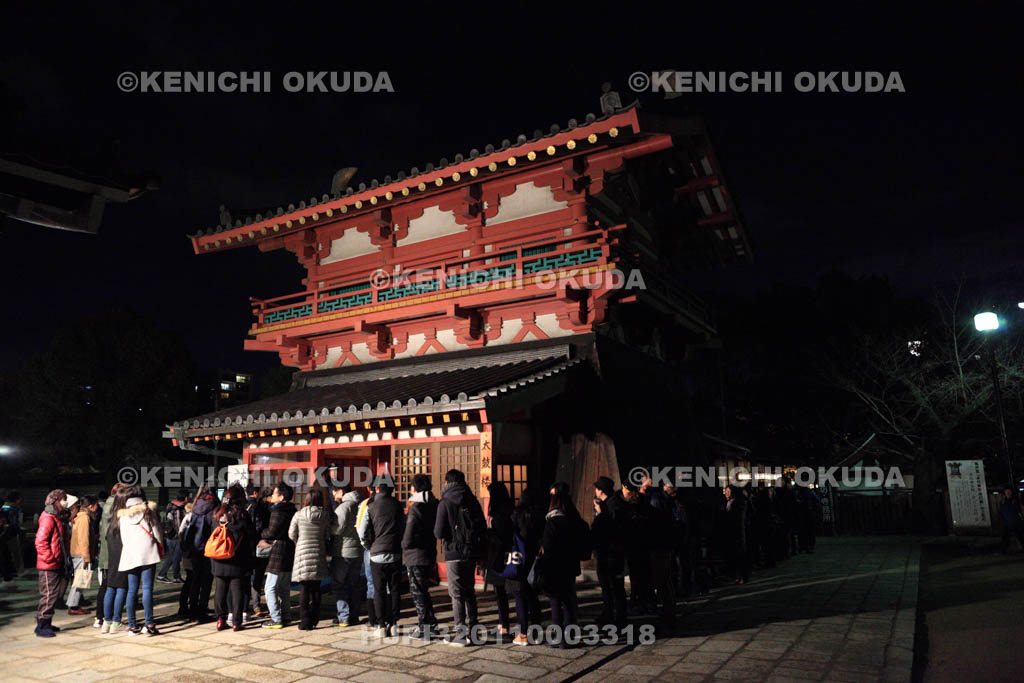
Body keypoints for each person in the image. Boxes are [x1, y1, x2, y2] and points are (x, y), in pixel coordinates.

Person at [434, 468, 487, 646]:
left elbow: (438, 532)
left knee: (456, 594)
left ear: (447, 483)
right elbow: (481, 526)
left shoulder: (445, 502)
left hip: (453, 553)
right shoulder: (472, 500)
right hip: (470, 552)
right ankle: (474, 632)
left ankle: (460, 634)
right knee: (469, 591)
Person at [209, 483, 256, 631]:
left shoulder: (217, 514)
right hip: (237, 558)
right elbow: (251, 535)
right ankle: (237, 622)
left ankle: (220, 620)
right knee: (237, 590)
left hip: (219, 556)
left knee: (220, 589)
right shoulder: (242, 515)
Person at [118, 486, 164, 636]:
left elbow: (123, 538)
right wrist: (161, 545)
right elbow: (157, 532)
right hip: (148, 552)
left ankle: (132, 626)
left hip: (130, 554)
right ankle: (149, 624)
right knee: (147, 588)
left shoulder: (123, 516)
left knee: (132, 590)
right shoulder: (148, 511)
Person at [363, 480, 405, 638]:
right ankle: (393, 623)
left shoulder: (371, 506)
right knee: (395, 589)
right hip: (395, 552)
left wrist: (369, 546)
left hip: (376, 553)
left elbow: (362, 530)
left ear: (377, 488)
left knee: (379, 590)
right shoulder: (398, 505)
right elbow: (403, 527)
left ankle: (380, 625)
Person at [289, 486, 334, 630]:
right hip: (318, 551)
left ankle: (304, 620)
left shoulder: (298, 514)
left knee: (304, 588)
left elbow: (291, 534)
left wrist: (299, 541)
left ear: (307, 499)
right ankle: (315, 618)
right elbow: (328, 534)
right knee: (316, 588)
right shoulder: (324, 515)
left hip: (302, 552)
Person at [541, 489, 581, 647]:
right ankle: (570, 637)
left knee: (556, 602)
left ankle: (558, 637)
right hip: (570, 565)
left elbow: (547, 546)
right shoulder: (574, 520)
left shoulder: (552, 522)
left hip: (554, 566)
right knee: (569, 601)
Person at [403, 473, 439, 640]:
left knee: (418, 591)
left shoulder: (416, 507)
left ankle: (425, 627)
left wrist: (404, 545)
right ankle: (431, 623)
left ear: (414, 488)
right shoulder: (434, 504)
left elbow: (409, 534)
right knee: (424, 589)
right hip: (430, 551)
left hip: (415, 554)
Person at [509, 488, 544, 645]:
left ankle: (523, 633)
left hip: (519, 557)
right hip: (534, 557)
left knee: (520, 596)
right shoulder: (539, 515)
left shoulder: (516, 514)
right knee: (533, 597)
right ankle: (536, 633)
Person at [35, 489, 72, 637]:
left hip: (56, 562)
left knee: (52, 594)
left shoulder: (56, 517)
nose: (65, 502)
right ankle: (42, 625)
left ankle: (47, 622)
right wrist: (50, 558)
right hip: (48, 564)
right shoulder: (48, 518)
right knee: (49, 595)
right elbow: (40, 541)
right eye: (63, 499)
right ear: (55, 501)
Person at [592, 476, 628, 629]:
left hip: (611, 553)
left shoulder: (613, 505)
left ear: (601, 490)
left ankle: (618, 617)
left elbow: (612, 528)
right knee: (608, 587)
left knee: (614, 587)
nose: (595, 491)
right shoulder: (608, 503)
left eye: (597, 488)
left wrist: (600, 514)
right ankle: (608, 613)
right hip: (606, 552)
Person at [261, 482, 297, 628]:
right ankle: (286, 615)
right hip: (289, 549)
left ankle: (276, 618)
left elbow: (272, 532)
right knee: (284, 587)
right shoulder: (292, 510)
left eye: (275, 493)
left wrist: (262, 533)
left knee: (270, 587)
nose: (272, 495)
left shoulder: (278, 511)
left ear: (281, 496)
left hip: (278, 551)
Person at [181, 485, 219, 622]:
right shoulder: (214, 507)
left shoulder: (196, 507)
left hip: (195, 548)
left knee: (195, 579)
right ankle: (202, 610)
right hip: (208, 548)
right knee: (207, 580)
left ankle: (193, 610)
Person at [331, 484, 363, 627]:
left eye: (334, 492)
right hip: (357, 550)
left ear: (341, 492)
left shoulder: (344, 507)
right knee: (354, 584)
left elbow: (337, 529)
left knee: (339, 584)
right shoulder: (360, 505)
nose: (333, 495)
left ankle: (343, 616)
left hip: (343, 551)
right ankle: (354, 615)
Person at [485, 482, 515, 637]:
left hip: (499, 555)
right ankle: (502, 623)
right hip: (506, 554)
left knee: (500, 592)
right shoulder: (509, 509)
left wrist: (489, 534)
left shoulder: (500, 514)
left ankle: (504, 625)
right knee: (502, 592)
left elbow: (500, 537)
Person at [102, 488, 131, 634]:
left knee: (110, 587)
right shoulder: (124, 517)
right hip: (122, 555)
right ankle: (116, 622)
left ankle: (106, 622)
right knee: (121, 588)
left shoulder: (110, 516)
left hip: (111, 556)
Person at [67, 495, 99, 615]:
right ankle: (73, 606)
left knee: (79, 581)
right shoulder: (84, 518)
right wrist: (87, 557)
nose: (97, 508)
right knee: (80, 581)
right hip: (81, 553)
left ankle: (74, 605)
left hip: (77, 552)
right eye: (96, 505)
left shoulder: (80, 516)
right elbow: (83, 538)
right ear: (90, 506)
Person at [246, 485, 272, 616]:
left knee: (246, 577)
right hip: (258, 544)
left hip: (245, 546)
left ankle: (246, 606)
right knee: (258, 576)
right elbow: (259, 526)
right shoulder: (259, 507)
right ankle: (257, 605)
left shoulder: (244, 505)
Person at [355, 488, 379, 628]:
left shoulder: (366, 504)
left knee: (371, 583)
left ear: (370, 489)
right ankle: (388, 616)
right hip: (389, 547)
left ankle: (373, 617)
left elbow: (360, 528)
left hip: (371, 547)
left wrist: (366, 544)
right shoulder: (394, 503)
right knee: (386, 584)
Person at [156, 489, 189, 584]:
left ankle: (161, 575)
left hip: (169, 536)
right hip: (176, 537)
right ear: (186, 498)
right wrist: (182, 535)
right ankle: (176, 577)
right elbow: (178, 526)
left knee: (171, 556)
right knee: (176, 558)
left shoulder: (170, 506)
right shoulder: (178, 509)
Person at [723, 485, 750, 584]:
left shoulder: (739, 503)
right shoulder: (728, 502)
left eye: (728, 491)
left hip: (738, 531)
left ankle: (743, 576)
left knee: (740, 554)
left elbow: (739, 517)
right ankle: (737, 576)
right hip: (731, 532)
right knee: (734, 555)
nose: (726, 493)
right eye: (725, 491)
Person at [2, 490, 24, 581]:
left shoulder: (3, 507)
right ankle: (19, 571)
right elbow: (15, 522)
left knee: (6, 554)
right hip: (12, 533)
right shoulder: (14, 509)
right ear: (17, 499)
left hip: (4, 534)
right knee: (15, 553)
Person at [998, 487, 1024, 553]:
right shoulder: (1002, 502)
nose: (1008, 492)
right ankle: (1003, 551)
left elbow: (1019, 510)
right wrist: (1003, 520)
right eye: (1006, 491)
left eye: (1009, 491)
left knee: (1021, 536)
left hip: (1016, 522)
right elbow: (1001, 512)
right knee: (1005, 537)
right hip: (1007, 523)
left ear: (1011, 492)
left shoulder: (1015, 500)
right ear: (1004, 492)